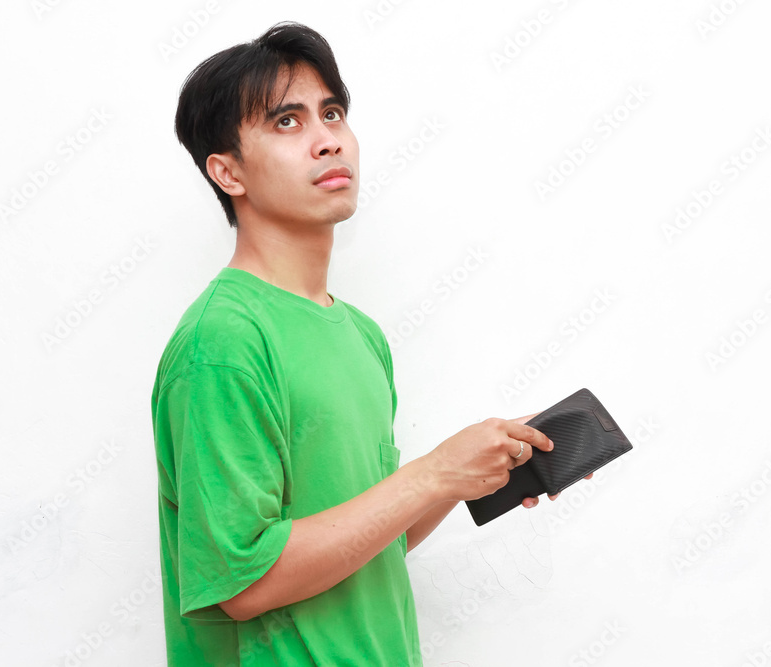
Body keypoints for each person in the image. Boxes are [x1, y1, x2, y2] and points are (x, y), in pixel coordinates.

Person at [152, 20, 584, 666]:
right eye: (287, 121)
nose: (328, 139)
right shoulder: (222, 341)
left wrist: (463, 473)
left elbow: (373, 539)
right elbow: (244, 583)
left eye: (332, 113)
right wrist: (433, 473)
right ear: (227, 171)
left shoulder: (361, 335)